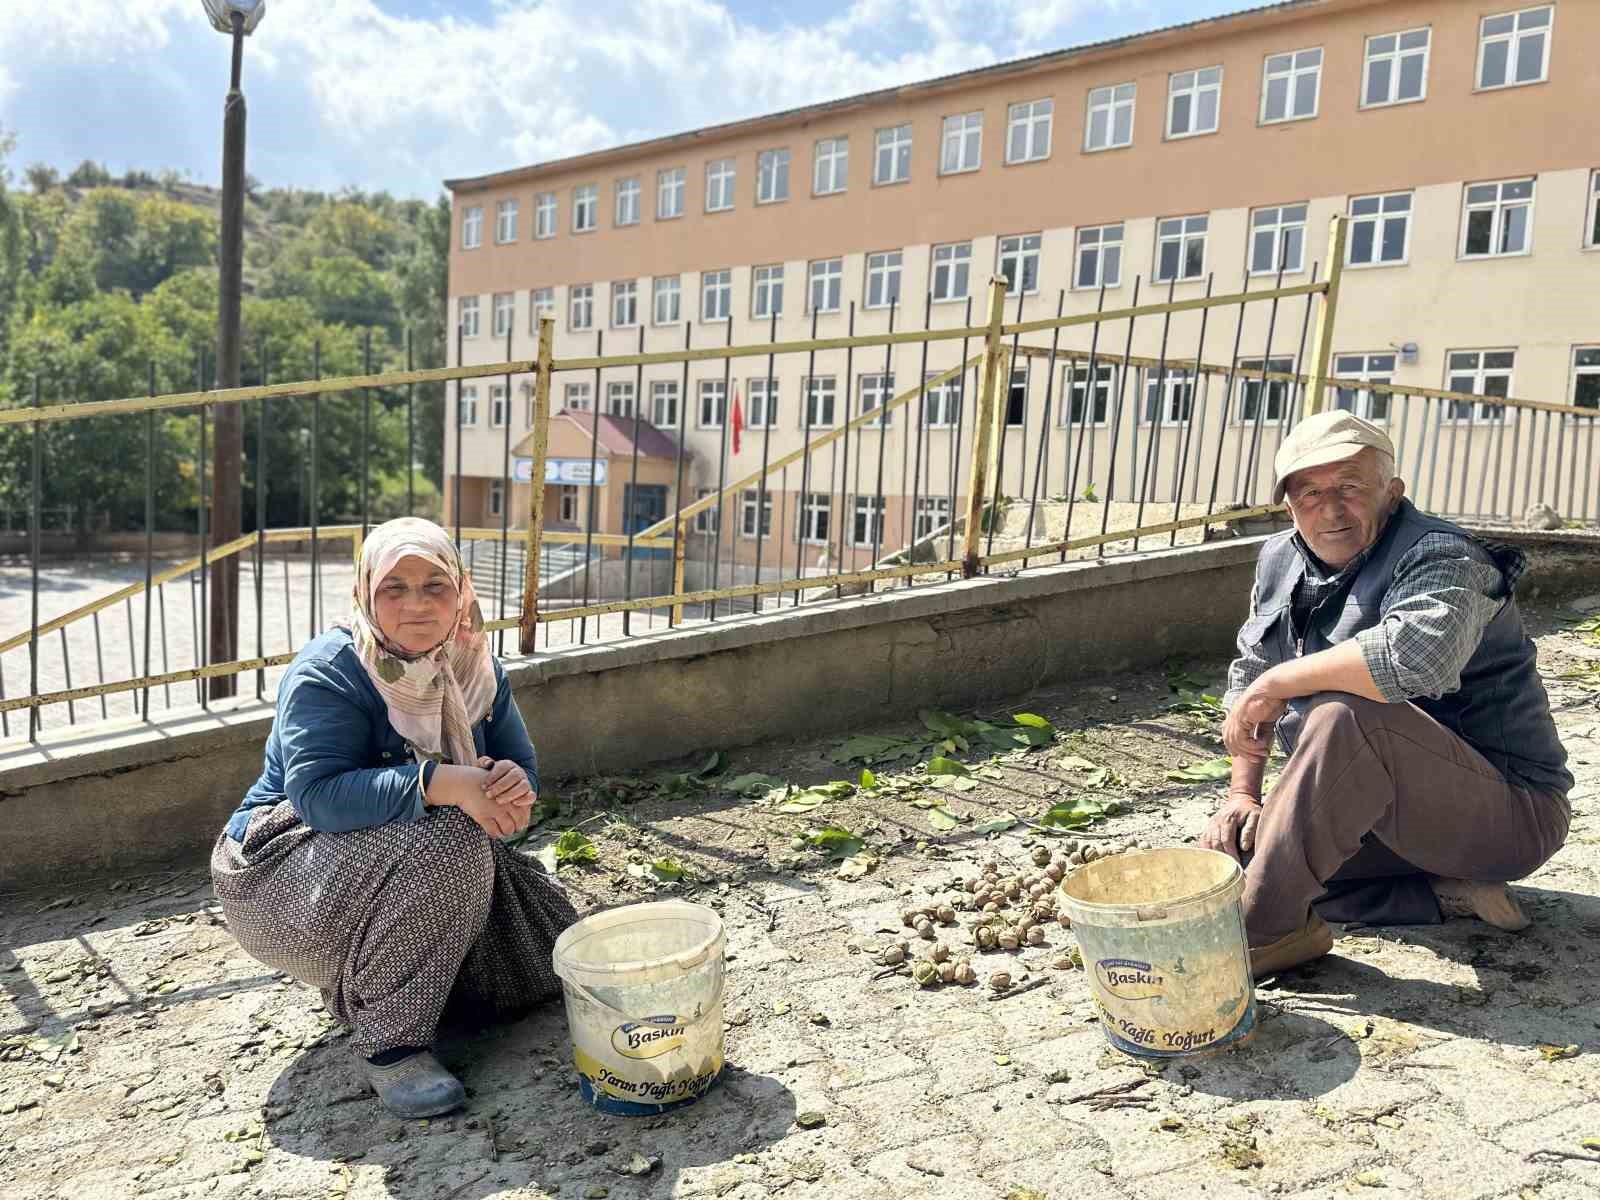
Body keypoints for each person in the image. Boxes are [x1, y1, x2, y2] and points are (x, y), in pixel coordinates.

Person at [212, 517, 578, 1117]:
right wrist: (445, 782)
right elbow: (318, 796)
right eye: (394, 588)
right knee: (453, 841)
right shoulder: (331, 670)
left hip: (407, 856)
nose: (417, 605)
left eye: (436, 585)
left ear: (462, 590)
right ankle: (392, 1048)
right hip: (281, 876)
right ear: (365, 593)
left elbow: (522, 768)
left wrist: (513, 789)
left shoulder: (474, 665)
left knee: (546, 956)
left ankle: (385, 982)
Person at [1199, 411, 1572, 977]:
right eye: (1310, 491)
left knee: (1346, 715)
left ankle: (1262, 937)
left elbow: (1413, 660)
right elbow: (1249, 671)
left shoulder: (1443, 555)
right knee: (1228, 859)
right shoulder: (1280, 556)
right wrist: (1243, 793)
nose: (1330, 508)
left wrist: (1278, 682)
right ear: (1288, 503)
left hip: (1506, 813)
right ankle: (1441, 894)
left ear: (1392, 492)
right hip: (1377, 812)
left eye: (1350, 486)